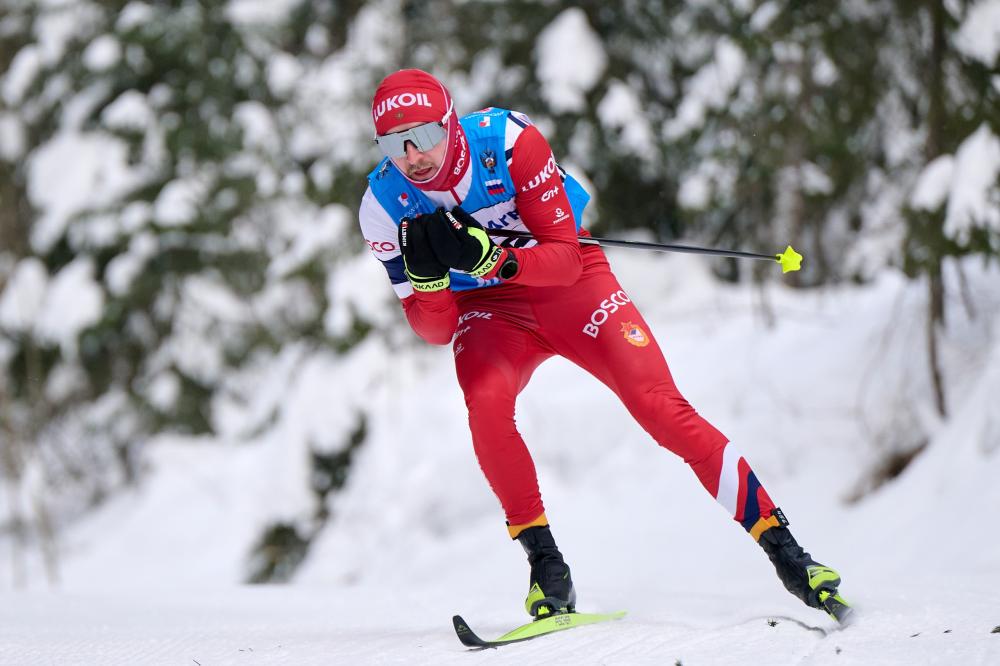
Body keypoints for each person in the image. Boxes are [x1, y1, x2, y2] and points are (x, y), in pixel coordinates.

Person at [358, 68, 851, 622]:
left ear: (451, 124)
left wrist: (491, 257)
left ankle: (789, 554)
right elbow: (435, 330)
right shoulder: (383, 205)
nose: (413, 155)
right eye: (393, 144)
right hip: (489, 313)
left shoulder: (507, 143)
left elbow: (566, 257)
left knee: (659, 406)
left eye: (424, 135)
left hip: (567, 285)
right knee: (486, 408)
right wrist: (427, 283)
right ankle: (546, 567)